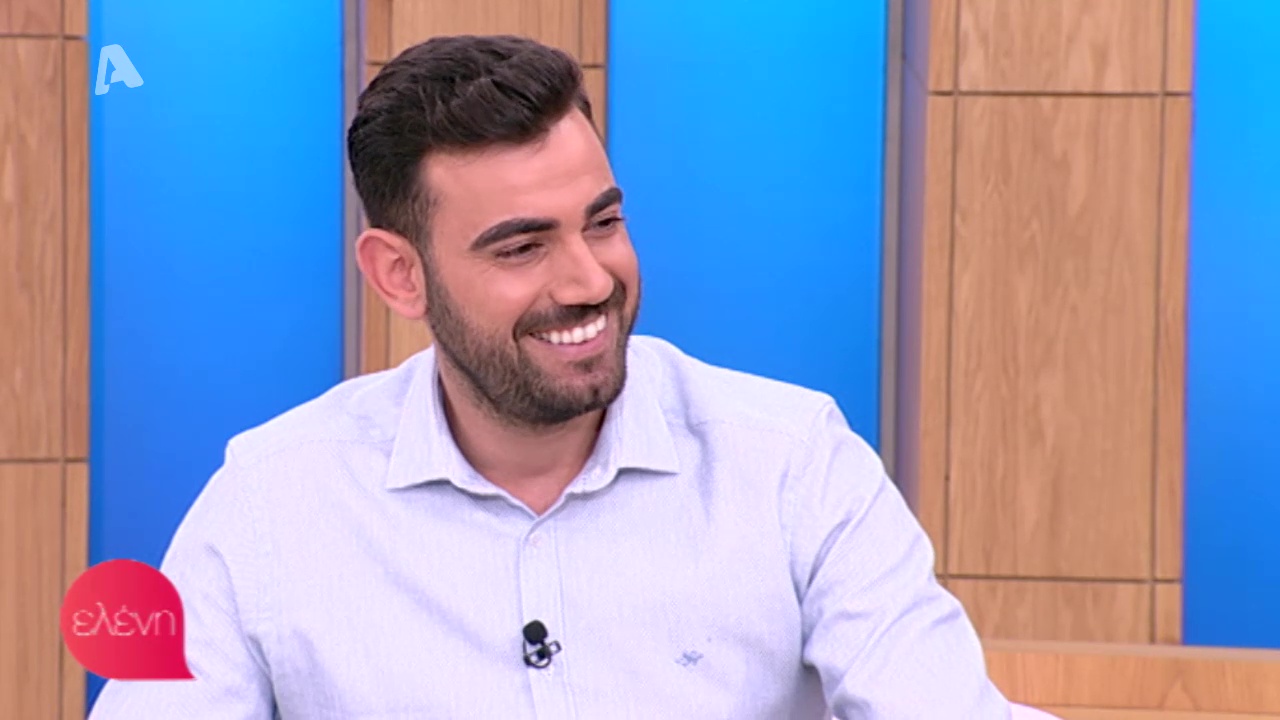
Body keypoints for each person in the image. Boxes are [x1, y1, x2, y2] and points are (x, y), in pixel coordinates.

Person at [89, 34, 1011, 719]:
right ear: (399, 275)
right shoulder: (272, 502)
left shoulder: (790, 465)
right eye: (523, 247)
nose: (589, 281)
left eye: (602, 223)